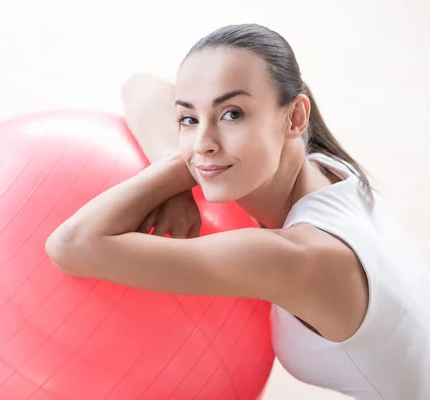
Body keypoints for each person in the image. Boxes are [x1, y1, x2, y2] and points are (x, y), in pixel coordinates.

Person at [45, 24, 430, 399]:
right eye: (188, 119)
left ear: (295, 117)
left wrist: (181, 172)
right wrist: (181, 168)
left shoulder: (299, 257)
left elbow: (71, 245)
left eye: (232, 114)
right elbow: (140, 85)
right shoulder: (326, 168)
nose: (204, 143)